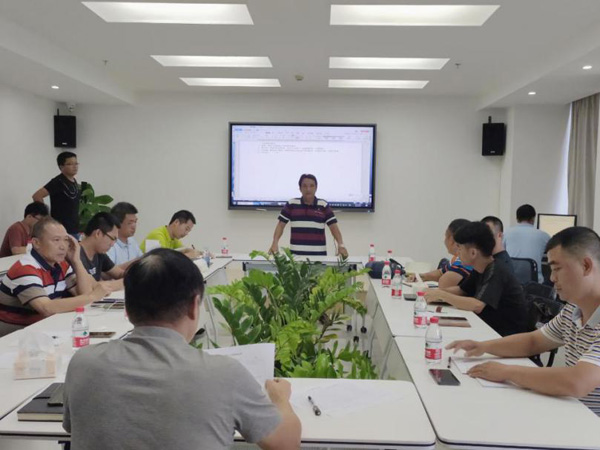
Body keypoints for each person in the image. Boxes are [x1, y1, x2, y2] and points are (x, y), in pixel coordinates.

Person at [63, 248, 302, 449]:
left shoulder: (84, 363)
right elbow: (286, 443)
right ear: (193, 306)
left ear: (127, 308)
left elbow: (75, 427)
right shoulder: (223, 374)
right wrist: (280, 399)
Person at [448, 227, 600, 417]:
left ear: (586, 266)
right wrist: (482, 346)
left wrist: (507, 372)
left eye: (557, 269)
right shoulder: (572, 310)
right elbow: (534, 341)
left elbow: (578, 382)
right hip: (574, 411)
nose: (552, 278)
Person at [0, 217, 108, 337]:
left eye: (66, 240)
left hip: (43, 329)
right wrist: (93, 296)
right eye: (56, 240)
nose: (63, 246)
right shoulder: (25, 268)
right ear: (36, 243)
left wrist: (76, 261)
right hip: (14, 336)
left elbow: (84, 294)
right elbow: (46, 308)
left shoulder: (61, 264)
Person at [425, 221, 529, 336]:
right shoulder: (480, 268)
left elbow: (477, 305)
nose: (457, 253)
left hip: (505, 335)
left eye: (460, 248)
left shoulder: (497, 270)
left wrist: (442, 295)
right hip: (486, 326)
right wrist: (432, 293)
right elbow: (462, 290)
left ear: (473, 253)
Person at [269, 174, 348, 257]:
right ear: (300, 188)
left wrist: (341, 245)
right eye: (305, 186)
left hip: (319, 258)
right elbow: (280, 225)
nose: (308, 189)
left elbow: (334, 227)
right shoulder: (291, 204)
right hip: (296, 258)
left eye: (311, 186)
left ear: (316, 188)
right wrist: (275, 243)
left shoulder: (323, 205)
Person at [32, 152, 81, 236]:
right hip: (60, 229)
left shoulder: (74, 181)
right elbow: (37, 196)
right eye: (70, 164)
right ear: (61, 167)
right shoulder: (57, 182)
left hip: (74, 228)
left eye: (76, 163)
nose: (75, 166)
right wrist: (46, 217)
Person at [415, 218, 473, 289]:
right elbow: (441, 272)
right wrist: (419, 276)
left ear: (451, 239)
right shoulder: (456, 258)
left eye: (446, 236)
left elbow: (444, 284)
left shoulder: (465, 263)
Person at [504, 204, 550, 282]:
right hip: (534, 281)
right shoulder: (544, 235)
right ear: (533, 218)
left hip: (510, 281)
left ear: (517, 219)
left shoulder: (506, 233)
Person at [79, 212, 124, 290]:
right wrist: (124, 282)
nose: (112, 244)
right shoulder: (75, 254)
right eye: (112, 239)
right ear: (98, 233)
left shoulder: (100, 254)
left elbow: (120, 274)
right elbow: (93, 287)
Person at [106, 202, 142, 267]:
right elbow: (109, 270)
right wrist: (135, 262)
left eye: (135, 222)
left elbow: (141, 260)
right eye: (130, 223)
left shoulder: (132, 240)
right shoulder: (110, 244)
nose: (134, 226)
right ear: (117, 223)